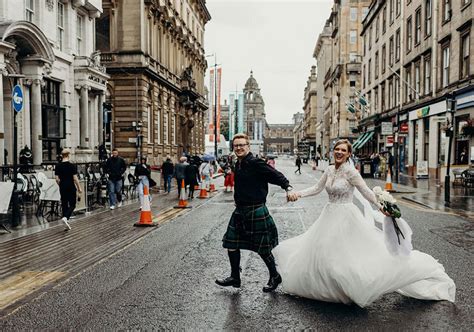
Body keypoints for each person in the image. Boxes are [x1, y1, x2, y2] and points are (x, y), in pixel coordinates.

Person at [275, 139, 455, 307]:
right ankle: (329, 286)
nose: (339, 152)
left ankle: (347, 288)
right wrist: (298, 194)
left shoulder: (351, 173)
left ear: (348, 154)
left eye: (343, 150)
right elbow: (316, 188)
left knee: (346, 253)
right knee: (324, 251)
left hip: (346, 216)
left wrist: (381, 206)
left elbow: (367, 192)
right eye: (337, 149)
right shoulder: (329, 169)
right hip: (329, 214)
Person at [216, 133, 296, 293]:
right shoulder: (238, 163)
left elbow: (276, 175)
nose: (238, 148)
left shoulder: (256, 162)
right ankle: (235, 277)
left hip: (255, 209)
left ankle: (275, 276)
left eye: (241, 145)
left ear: (248, 146)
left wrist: (288, 187)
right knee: (231, 243)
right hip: (240, 210)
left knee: (263, 248)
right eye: (236, 145)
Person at [54, 149, 82, 230]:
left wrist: (61, 184)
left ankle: (66, 222)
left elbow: (56, 179)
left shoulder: (58, 166)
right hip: (70, 185)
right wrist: (79, 187)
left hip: (62, 186)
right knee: (72, 204)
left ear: (62, 156)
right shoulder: (71, 166)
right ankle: (66, 217)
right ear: (68, 155)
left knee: (64, 203)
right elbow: (75, 178)